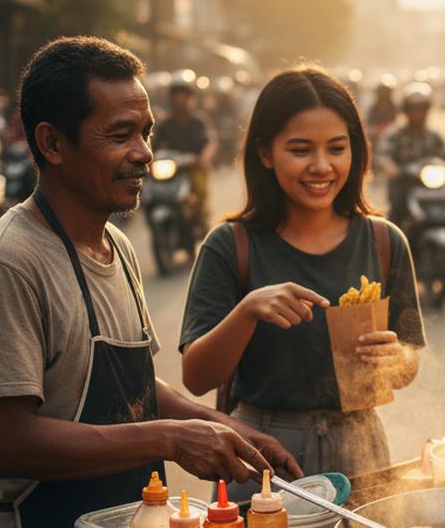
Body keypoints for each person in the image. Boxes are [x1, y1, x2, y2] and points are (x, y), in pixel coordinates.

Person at [0, 37, 302, 528]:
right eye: (120, 135)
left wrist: (220, 425)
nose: (144, 152)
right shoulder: (7, 264)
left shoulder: (119, 246)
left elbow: (133, 385)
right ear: (51, 143)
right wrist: (169, 438)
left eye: (146, 132)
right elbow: (7, 442)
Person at [178, 66, 426, 502]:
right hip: (263, 453)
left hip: (362, 447)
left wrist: (394, 357)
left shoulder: (385, 241)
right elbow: (197, 377)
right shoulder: (230, 246)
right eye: (300, 149)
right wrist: (247, 311)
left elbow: (407, 368)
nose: (321, 166)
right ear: (266, 153)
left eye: (337, 148)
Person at [381, 82, 445, 229]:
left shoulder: (435, 136)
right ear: (406, 110)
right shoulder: (395, 135)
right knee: (395, 218)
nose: (418, 112)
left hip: (432, 190)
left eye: (423, 108)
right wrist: (391, 167)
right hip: (404, 186)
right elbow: (383, 155)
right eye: (414, 108)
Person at [152, 78, 216, 228]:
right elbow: (154, 146)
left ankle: (201, 218)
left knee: (199, 192)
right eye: (176, 95)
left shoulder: (199, 121)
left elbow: (210, 141)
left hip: (194, 166)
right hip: (171, 169)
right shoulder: (166, 123)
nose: (180, 99)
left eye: (183, 95)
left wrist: (204, 157)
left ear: (190, 98)